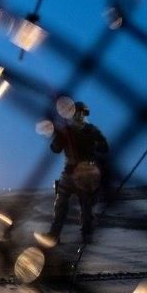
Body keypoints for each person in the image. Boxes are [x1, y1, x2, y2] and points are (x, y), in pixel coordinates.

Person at [44, 101, 108, 245]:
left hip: (86, 175)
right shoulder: (66, 131)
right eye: (76, 113)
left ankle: (87, 235)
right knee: (60, 205)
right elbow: (55, 149)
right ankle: (54, 235)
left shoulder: (92, 130)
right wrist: (58, 138)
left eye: (81, 113)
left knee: (86, 207)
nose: (78, 116)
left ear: (84, 115)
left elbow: (105, 147)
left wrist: (92, 146)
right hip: (68, 173)